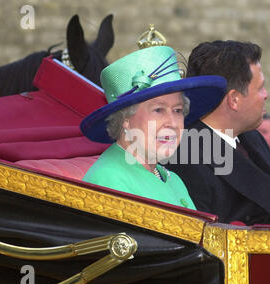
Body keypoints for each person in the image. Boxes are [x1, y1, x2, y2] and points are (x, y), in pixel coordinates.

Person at [167, 40, 270, 226]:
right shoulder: (185, 158)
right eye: (260, 88)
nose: (266, 94)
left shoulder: (253, 138)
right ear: (234, 99)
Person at [79, 44, 226, 209]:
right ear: (125, 118)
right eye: (158, 110)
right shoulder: (109, 181)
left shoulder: (173, 180)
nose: (172, 122)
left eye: (177, 110)